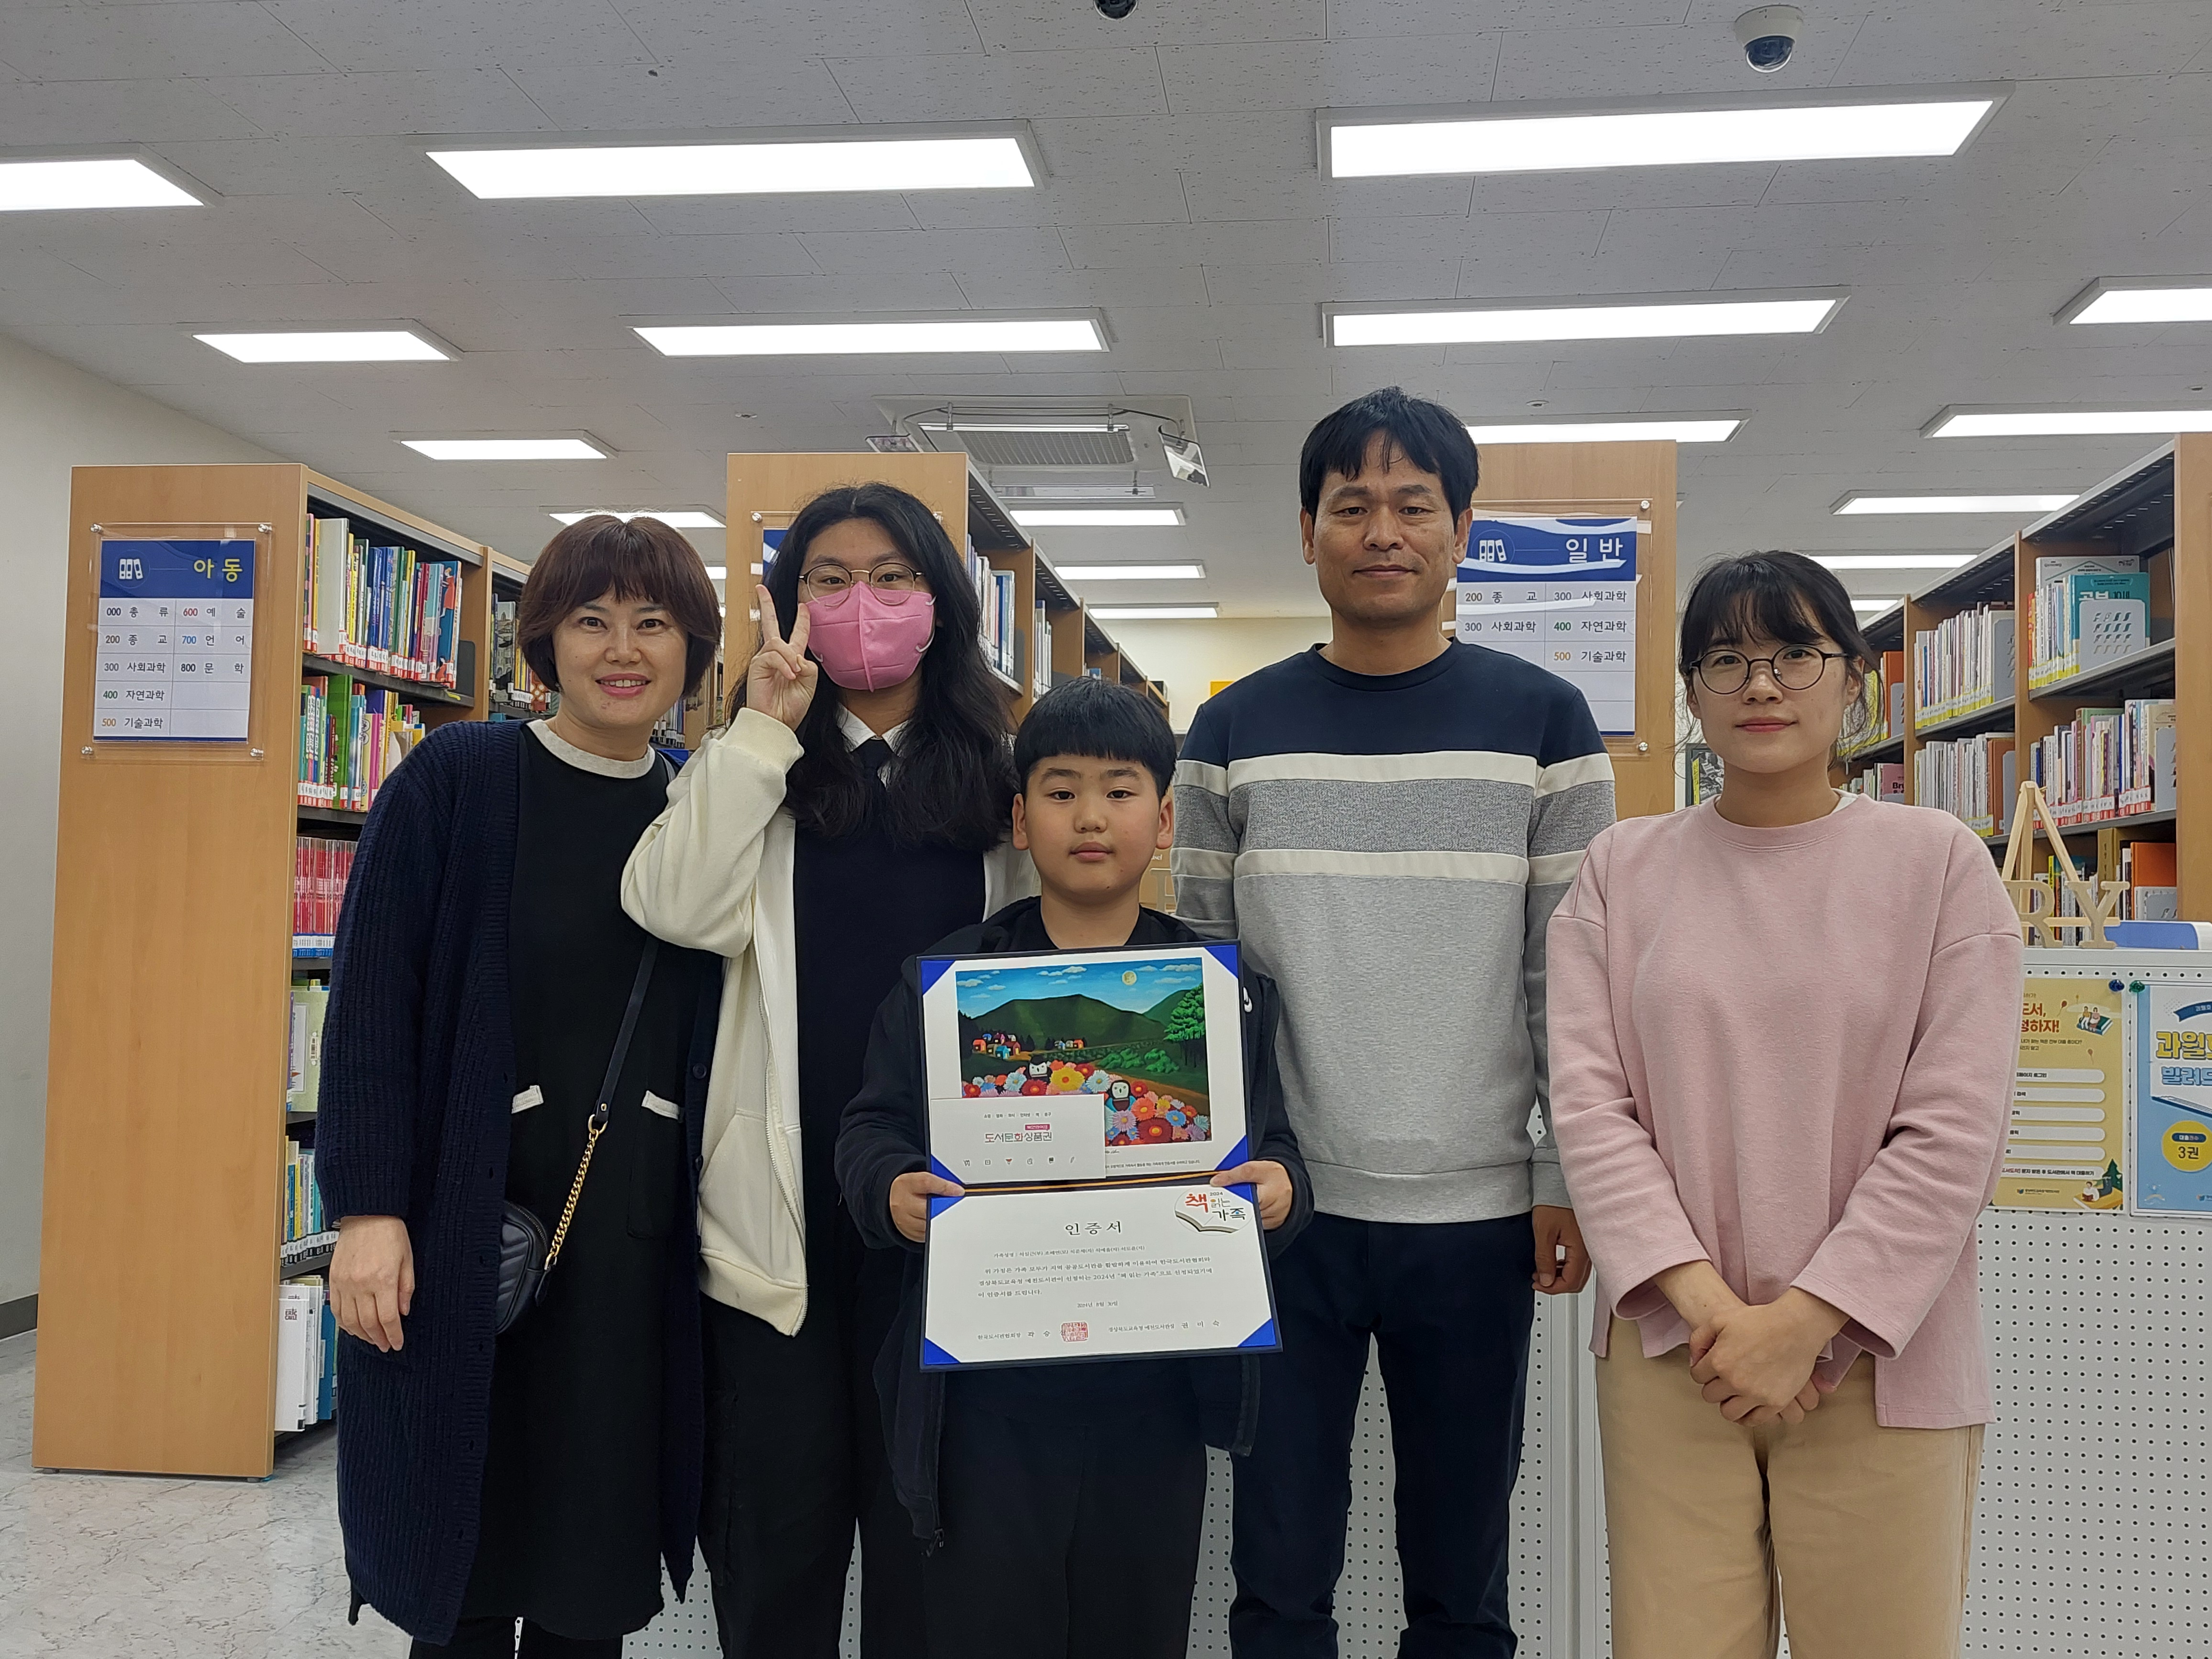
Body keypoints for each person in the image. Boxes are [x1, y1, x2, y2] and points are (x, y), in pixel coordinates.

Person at [1171, 386, 1615, 1658]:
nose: (1382, 531)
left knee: (1461, 1582)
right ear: (1306, 530)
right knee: (1277, 1572)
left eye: (1413, 505)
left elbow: (1570, 978)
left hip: (1476, 1217)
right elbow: (1205, 974)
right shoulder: (1231, 731)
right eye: (1350, 505)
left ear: (1461, 530)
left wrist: (1561, 1171)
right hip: (1279, 1210)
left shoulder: (1544, 724)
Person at [1546, 551, 2022, 1659]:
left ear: (1853, 677)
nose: (1759, 685)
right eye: (1725, 659)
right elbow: (1591, 1110)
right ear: (1691, 691)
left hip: (1881, 1357)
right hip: (1675, 1353)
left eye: (1794, 654)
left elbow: (1953, 1131)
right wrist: (1713, 1315)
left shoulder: (1938, 865)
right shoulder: (1621, 870)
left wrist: (1804, 1323)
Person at [619, 482, 1034, 1659]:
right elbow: (670, 904)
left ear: (942, 604)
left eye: (893, 579)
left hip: (946, 1221)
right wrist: (763, 730)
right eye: (830, 580)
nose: (863, 604)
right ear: (785, 602)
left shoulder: (1001, 782)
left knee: (931, 1562)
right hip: (778, 1231)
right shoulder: (749, 767)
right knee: (777, 1559)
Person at [835, 675, 1316, 1659]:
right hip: (987, 1400)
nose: (1090, 818)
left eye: (1119, 791)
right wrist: (889, 1189)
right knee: (983, 1629)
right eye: (1060, 792)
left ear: (1164, 819)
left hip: (1156, 1391)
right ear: (1020, 819)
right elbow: (870, 1126)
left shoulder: (1222, 994)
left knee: (1136, 1627)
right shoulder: (949, 980)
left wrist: (1281, 1188)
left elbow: (1273, 1145)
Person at [316, 516, 727, 1656]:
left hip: (631, 1251)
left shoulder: (697, 806)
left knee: (589, 1576)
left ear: (692, 650)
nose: (621, 649)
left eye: (652, 622)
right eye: (590, 620)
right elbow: (370, 1004)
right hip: (464, 1234)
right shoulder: (460, 780)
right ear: (542, 642)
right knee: (463, 1556)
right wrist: (367, 1212)